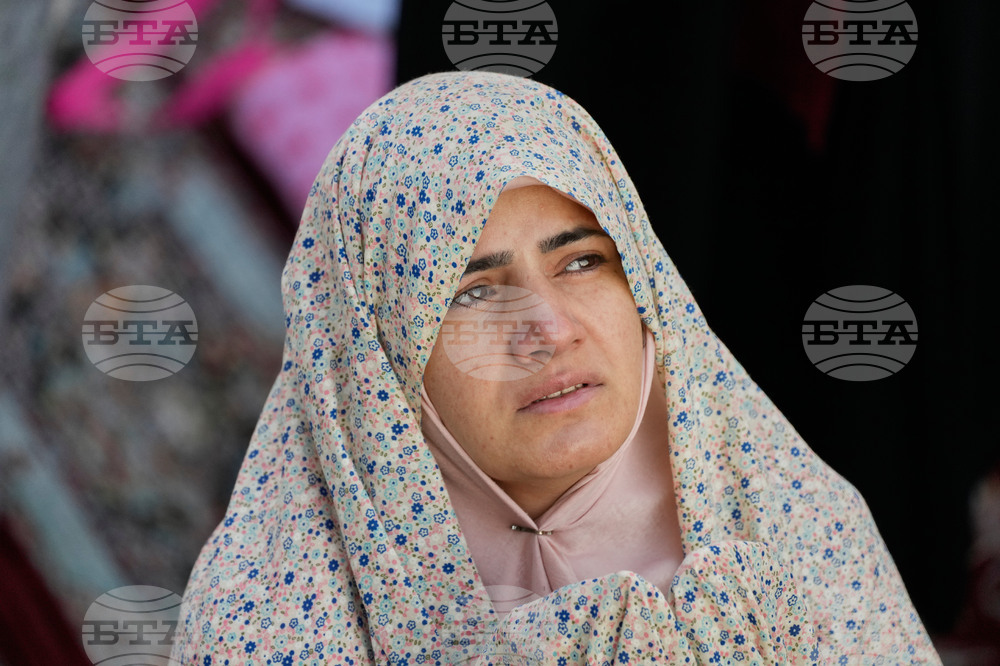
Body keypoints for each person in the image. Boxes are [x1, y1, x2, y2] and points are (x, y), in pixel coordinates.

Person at [172, 71, 940, 664]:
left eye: (581, 261)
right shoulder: (271, 626)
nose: (548, 328)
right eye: (471, 290)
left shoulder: (796, 530)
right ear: (379, 363)